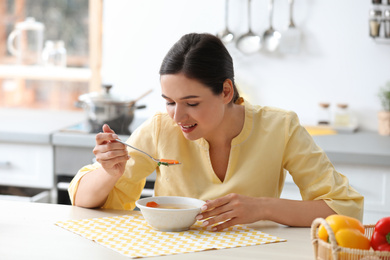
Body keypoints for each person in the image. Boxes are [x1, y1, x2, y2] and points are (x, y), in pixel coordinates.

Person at [69, 33, 364, 231]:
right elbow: (82, 201)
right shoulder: (161, 128)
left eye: (191, 103)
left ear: (225, 91)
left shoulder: (280, 127)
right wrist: (109, 172)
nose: (178, 116)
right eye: (170, 102)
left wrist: (262, 208)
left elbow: (345, 211)